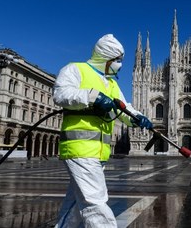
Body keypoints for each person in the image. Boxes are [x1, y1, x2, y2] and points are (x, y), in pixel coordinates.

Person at [53, 34, 153, 228]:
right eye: (117, 60)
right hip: (79, 149)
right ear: (105, 58)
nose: (120, 65)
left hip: (98, 153)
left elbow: (124, 108)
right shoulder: (75, 69)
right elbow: (60, 94)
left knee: (75, 205)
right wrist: (92, 97)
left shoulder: (111, 84)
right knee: (95, 203)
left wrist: (138, 118)